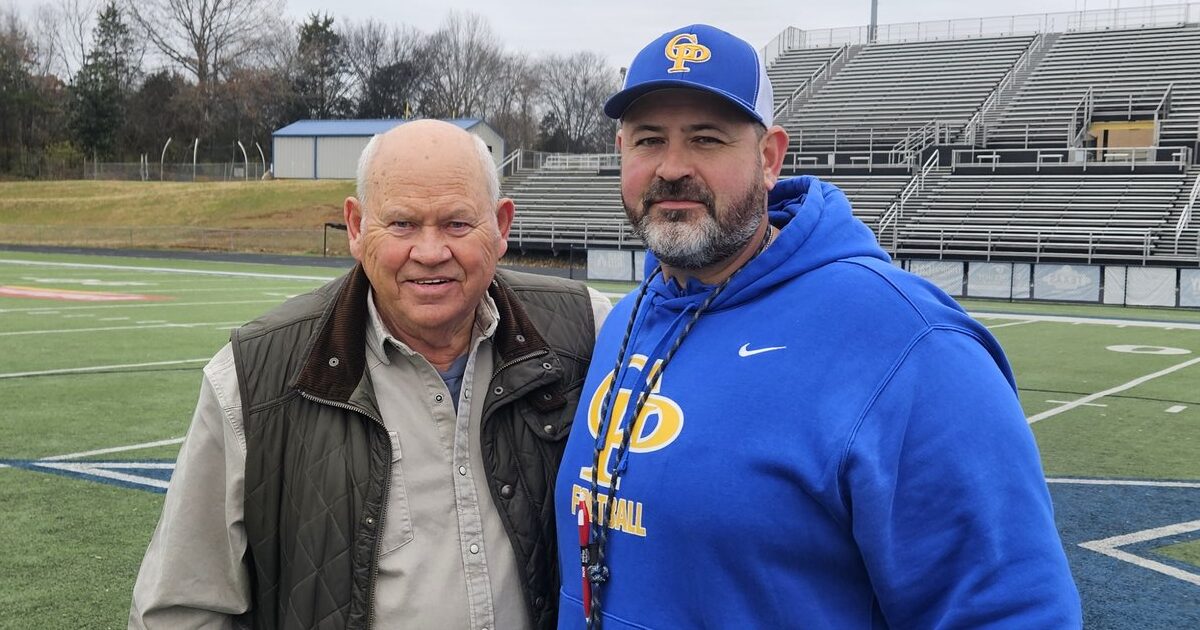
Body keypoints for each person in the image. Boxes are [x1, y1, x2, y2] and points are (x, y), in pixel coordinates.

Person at [555, 24, 1081, 629]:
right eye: (649, 140)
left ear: (770, 157)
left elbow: (1009, 612)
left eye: (707, 139)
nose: (673, 168)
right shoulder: (628, 318)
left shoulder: (911, 344)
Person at [131, 119, 611, 629]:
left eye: (457, 223)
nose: (430, 252)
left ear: (501, 227)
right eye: (402, 224)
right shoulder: (253, 377)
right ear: (357, 228)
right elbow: (181, 609)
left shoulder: (588, 334)